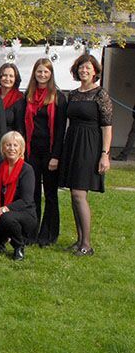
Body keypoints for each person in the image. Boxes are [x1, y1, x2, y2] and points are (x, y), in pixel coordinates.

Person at [60, 54, 112, 257]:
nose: (84, 71)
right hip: (73, 143)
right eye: (81, 67)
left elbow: (107, 126)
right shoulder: (72, 95)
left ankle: (87, 245)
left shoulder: (100, 94)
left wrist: (105, 154)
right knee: (74, 194)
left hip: (90, 145)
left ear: (95, 71)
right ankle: (79, 239)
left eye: (88, 68)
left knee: (79, 194)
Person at [23, 58, 67, 246]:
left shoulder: (58, 97)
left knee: (50, 194)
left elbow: (60, 130)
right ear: (34, 73)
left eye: (45, 72)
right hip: (31, 151)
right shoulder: (28, 96)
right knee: (32, 194)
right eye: (39, 71)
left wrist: (56, 156)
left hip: (50, 153)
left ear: (51, 74)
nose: (42, 75)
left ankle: (48, 235)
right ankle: (30, 233)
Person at [0, 132, 37, 261]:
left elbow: (26, 200)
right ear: (3, 148)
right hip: (0, 212)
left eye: (15, 145)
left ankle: (18, 246)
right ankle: (1, 240)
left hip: (24, 213)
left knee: (6, 218)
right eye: (8, 145)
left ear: (21, 149)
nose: (11, 148)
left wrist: (2, 210)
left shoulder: (27, 170)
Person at [0, 63, 25, 134]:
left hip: (10, 138)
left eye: (11, 76)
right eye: (4, 75)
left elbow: (20, 128)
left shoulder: (19, 99)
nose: (7, 79)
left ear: (15, 79)